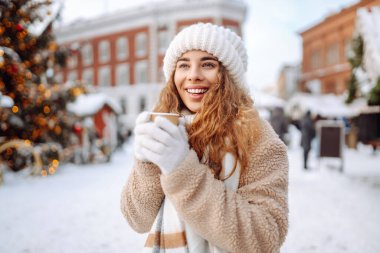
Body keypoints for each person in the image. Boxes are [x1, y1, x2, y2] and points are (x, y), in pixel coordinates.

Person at [121, 23, 288, 253]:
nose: (193, 75)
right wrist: (146, 163)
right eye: (183, 65)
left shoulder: (257, 137)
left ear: (227, 76)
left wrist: (182, 171)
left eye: (208, 64)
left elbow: (264, 237)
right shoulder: (169, 129)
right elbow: (137, 220)